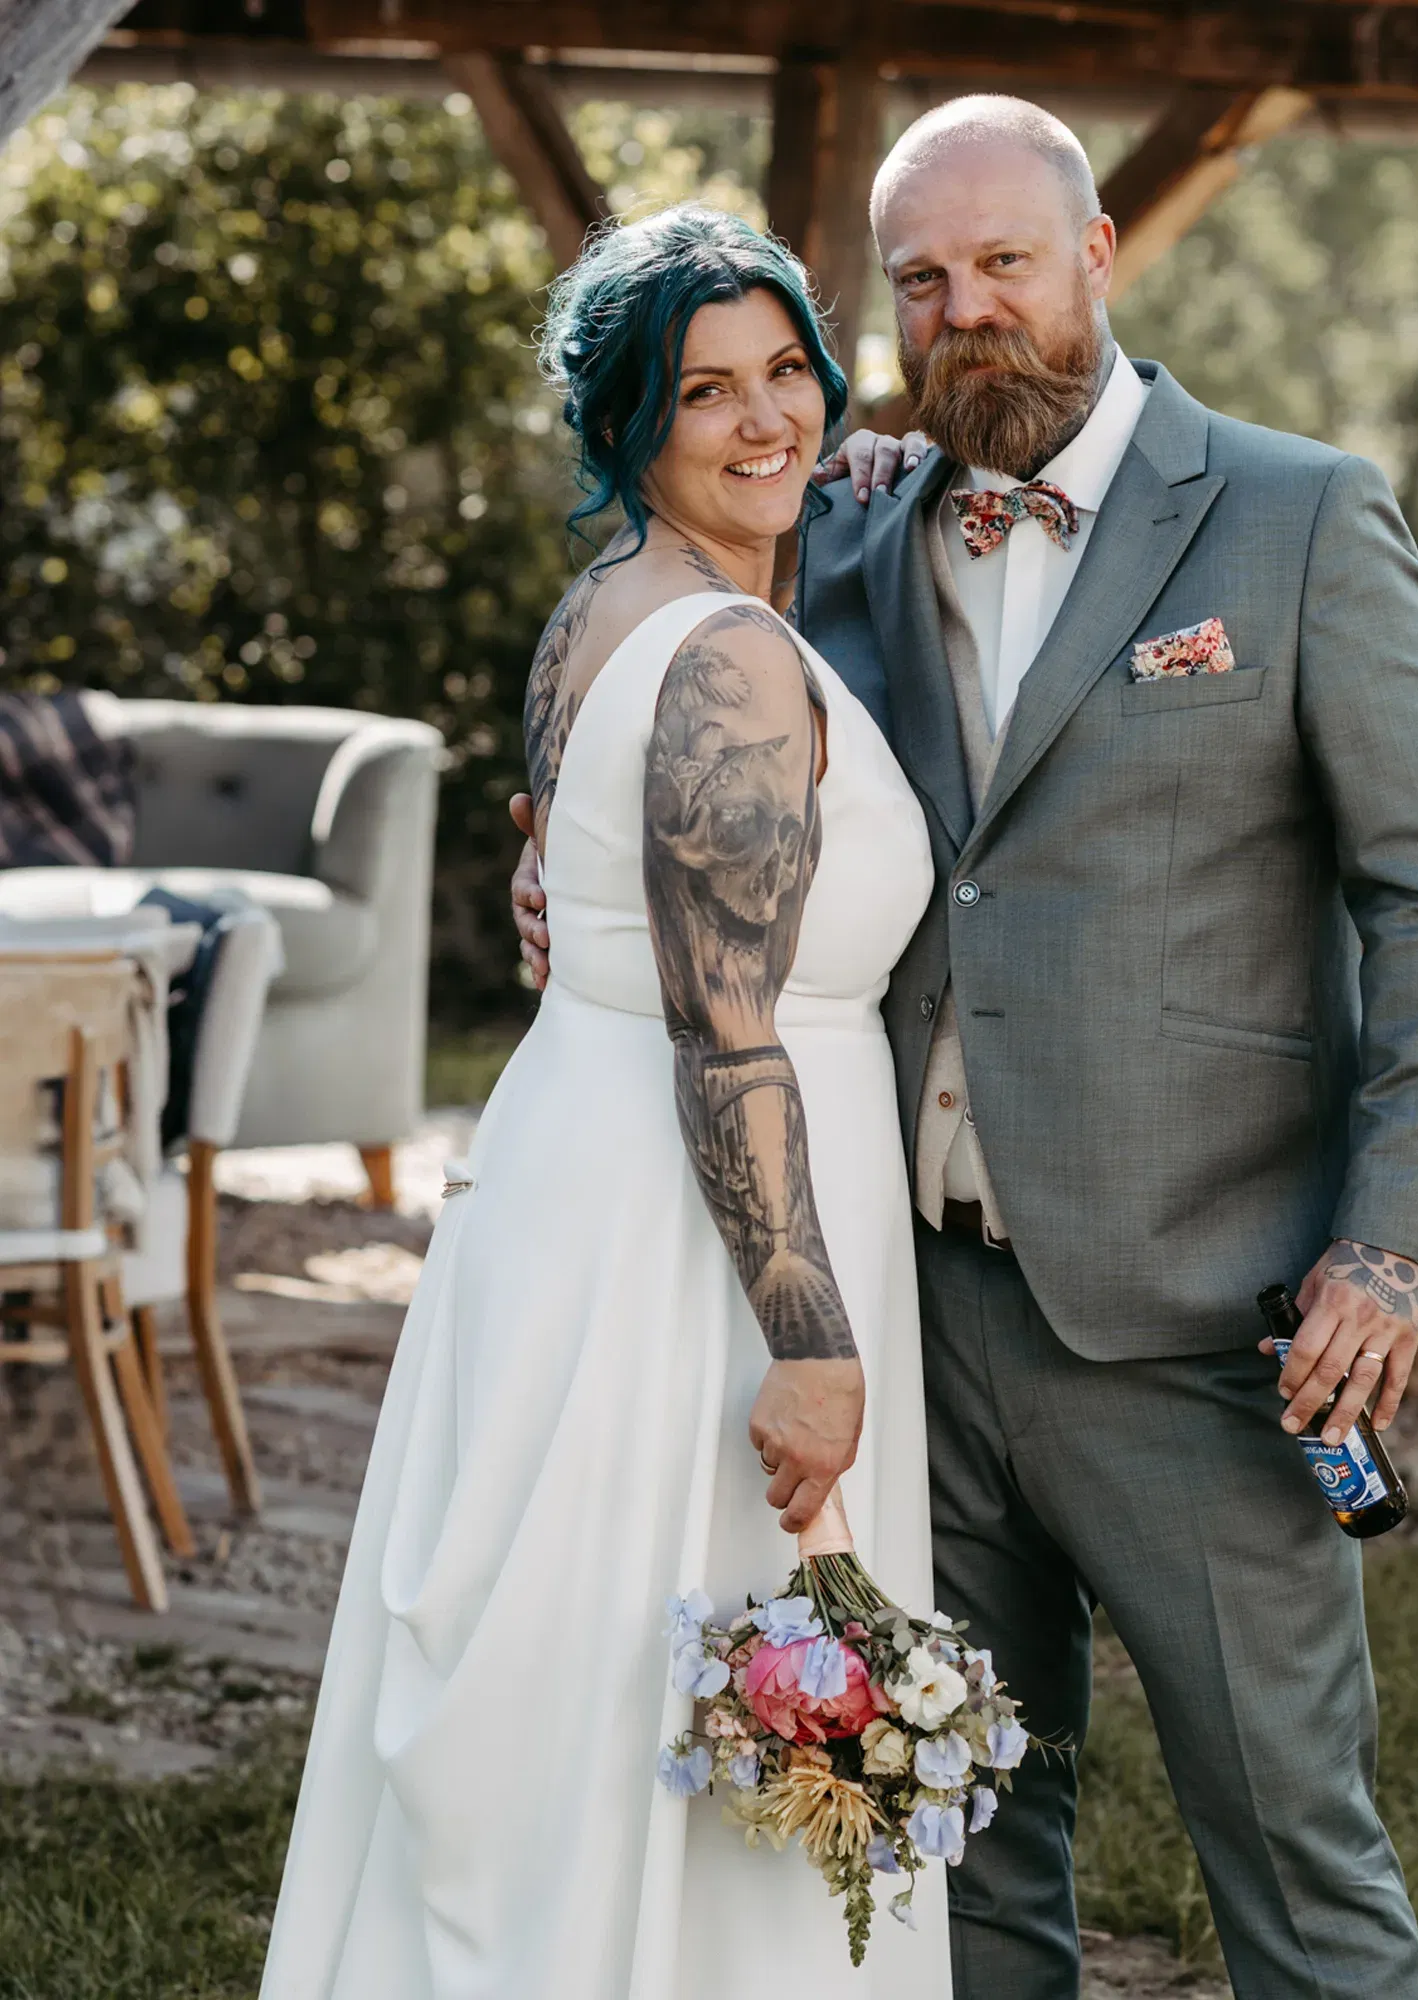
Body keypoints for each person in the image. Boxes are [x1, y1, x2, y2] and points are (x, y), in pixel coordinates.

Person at [515, 97, 1418, 2000]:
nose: (970, 311)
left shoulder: (1299, 517)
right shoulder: (858, 523)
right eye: (923, 282)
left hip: (1206, 1319)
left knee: (1291, 1846)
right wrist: (556, 874)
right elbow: (693, 728)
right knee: (954, 1845)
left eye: (1007, 265)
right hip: (915, 1314)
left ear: (1101, 255)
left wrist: (1395, 1247)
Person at [262, 206, 950, 1996]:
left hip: (578, 1186)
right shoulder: (730, 657)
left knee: (593, 1715)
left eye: (787, 370)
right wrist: (810, 1340)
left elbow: (586, 893)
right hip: (696, 1256)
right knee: (701, 1707)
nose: (761, 421)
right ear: (626, 424)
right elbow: (728, 1034)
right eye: (701, 390)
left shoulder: (603, 613)